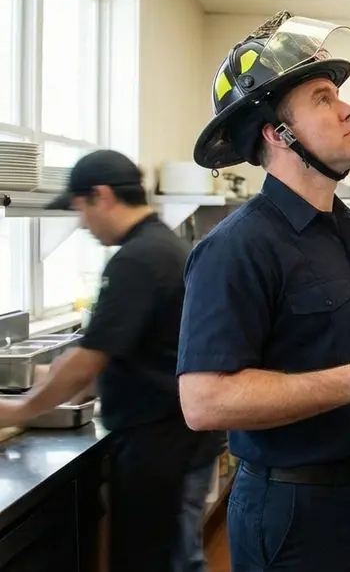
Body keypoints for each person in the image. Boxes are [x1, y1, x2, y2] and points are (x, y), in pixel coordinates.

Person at [176, 10, 350, 572]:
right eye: (323, 97)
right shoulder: (237, 248)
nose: (349, 107)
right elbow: (203, 401)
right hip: (295, 512)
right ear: (276, 134)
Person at [0, 149, 223, 572]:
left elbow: (88, 360)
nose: (82, 223)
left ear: (101, 196)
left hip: (160, 448)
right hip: (175, 441)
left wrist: (21, 409)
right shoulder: (159, 246)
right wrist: (40, 376)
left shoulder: (138, 259)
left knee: (160, 563)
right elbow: (118, 352)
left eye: (80, 208)